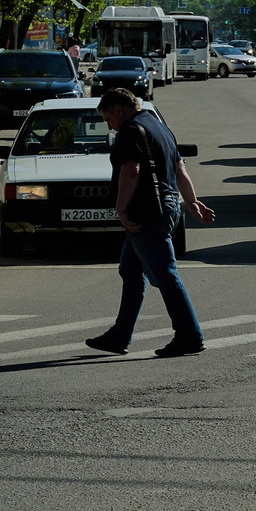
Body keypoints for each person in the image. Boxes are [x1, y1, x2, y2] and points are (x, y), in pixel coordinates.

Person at [84, 88, 216, 358]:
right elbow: (180, 169)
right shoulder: (159, 126)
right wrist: (191, 203)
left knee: (166, 276)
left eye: (108, 118)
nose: (109, 125)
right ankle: (120, 336)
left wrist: (121, 209)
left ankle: (190, 335)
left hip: (146, 214)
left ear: (119, 110)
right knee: (131, 273)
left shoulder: (131, 131)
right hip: (166, 208)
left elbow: (131, 171)